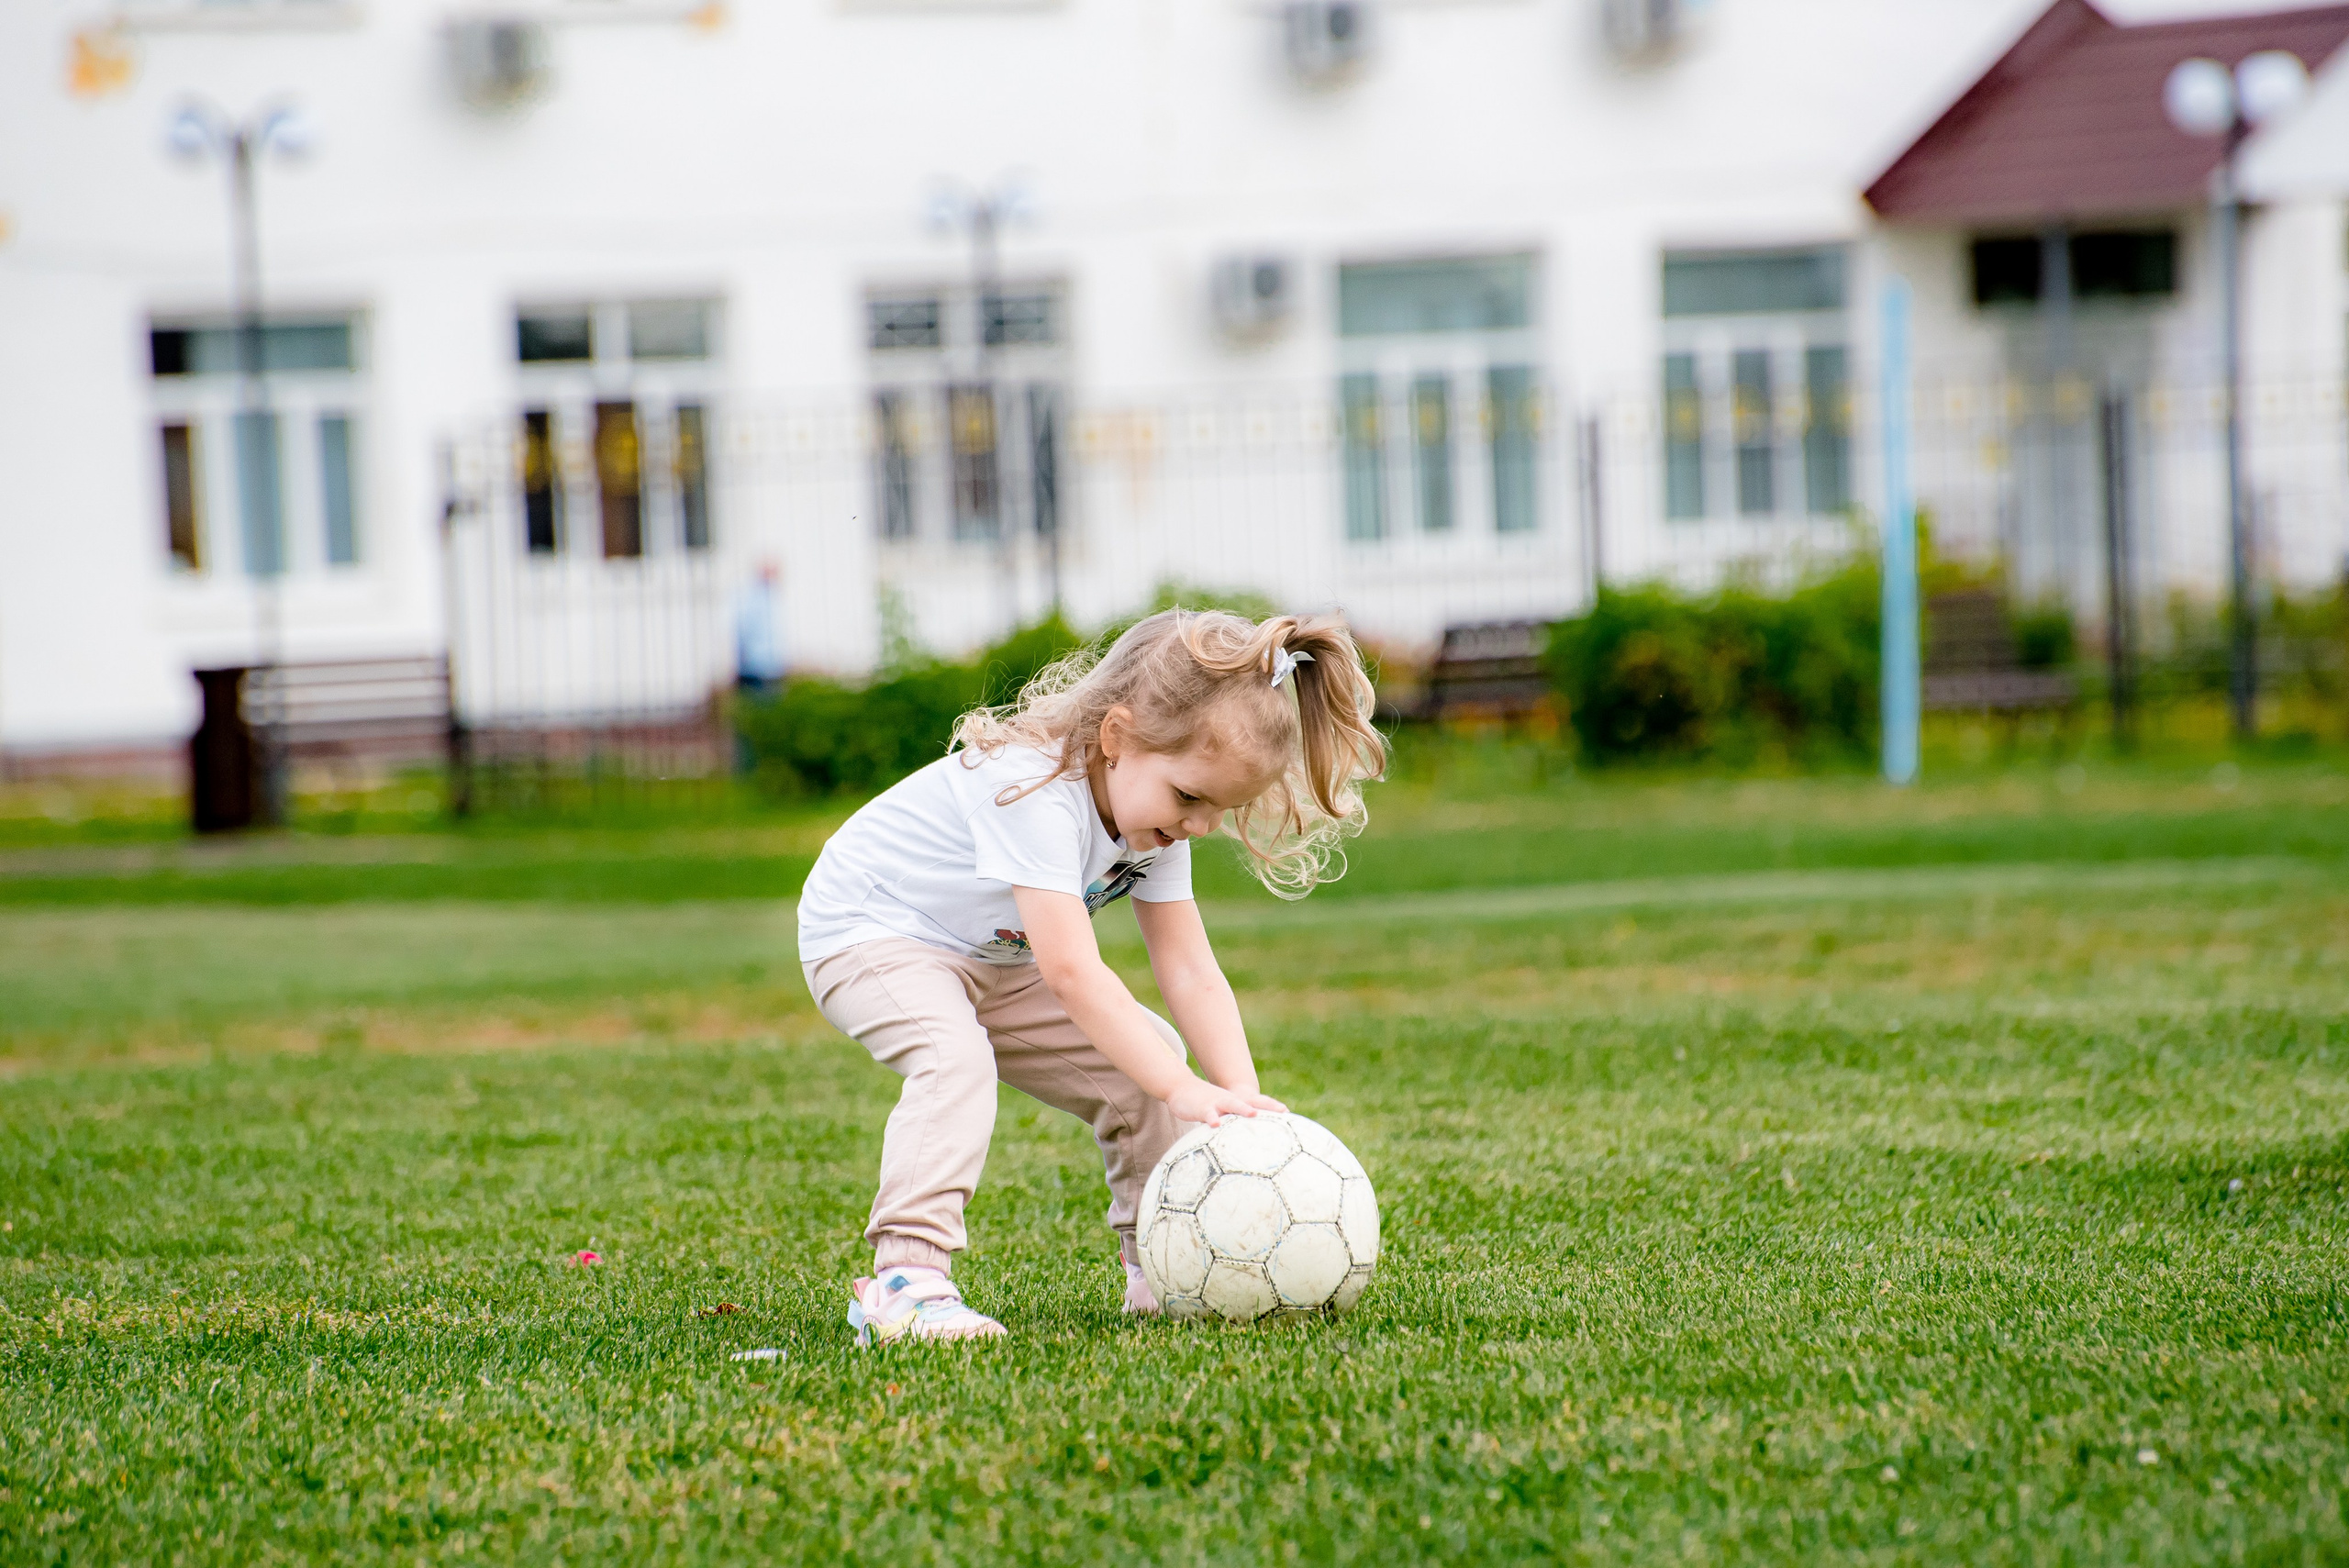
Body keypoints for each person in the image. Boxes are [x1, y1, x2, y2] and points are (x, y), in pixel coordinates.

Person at [796, 608, 1388, 1344]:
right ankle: (904, 1282)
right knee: (955, 1060)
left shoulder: (1157, 815)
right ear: (1117, 738)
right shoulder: (1031, 787)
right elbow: (1072, 970)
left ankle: (1166, 1265)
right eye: (1191, 798)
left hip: (990, 955)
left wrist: (1235, 1099)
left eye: (1219, 808)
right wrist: (1185, 1087)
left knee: (1152, 1059)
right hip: (871, 930)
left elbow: (1189, 966)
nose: (1200, 825)